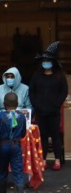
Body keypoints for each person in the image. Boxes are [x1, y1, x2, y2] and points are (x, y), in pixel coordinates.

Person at [29, 41, 68, 171]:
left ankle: (57, 160)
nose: (46, 62)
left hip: (54, 111)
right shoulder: (36, 76)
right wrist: (36, 104)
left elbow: (64, 91)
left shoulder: (59, 76)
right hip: (41, 111)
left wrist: (57, 103)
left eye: (48, 60)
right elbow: (32, 92)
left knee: (55, 136)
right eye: (44, 60)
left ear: (53, 62)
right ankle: (43, 160)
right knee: (43, 137)